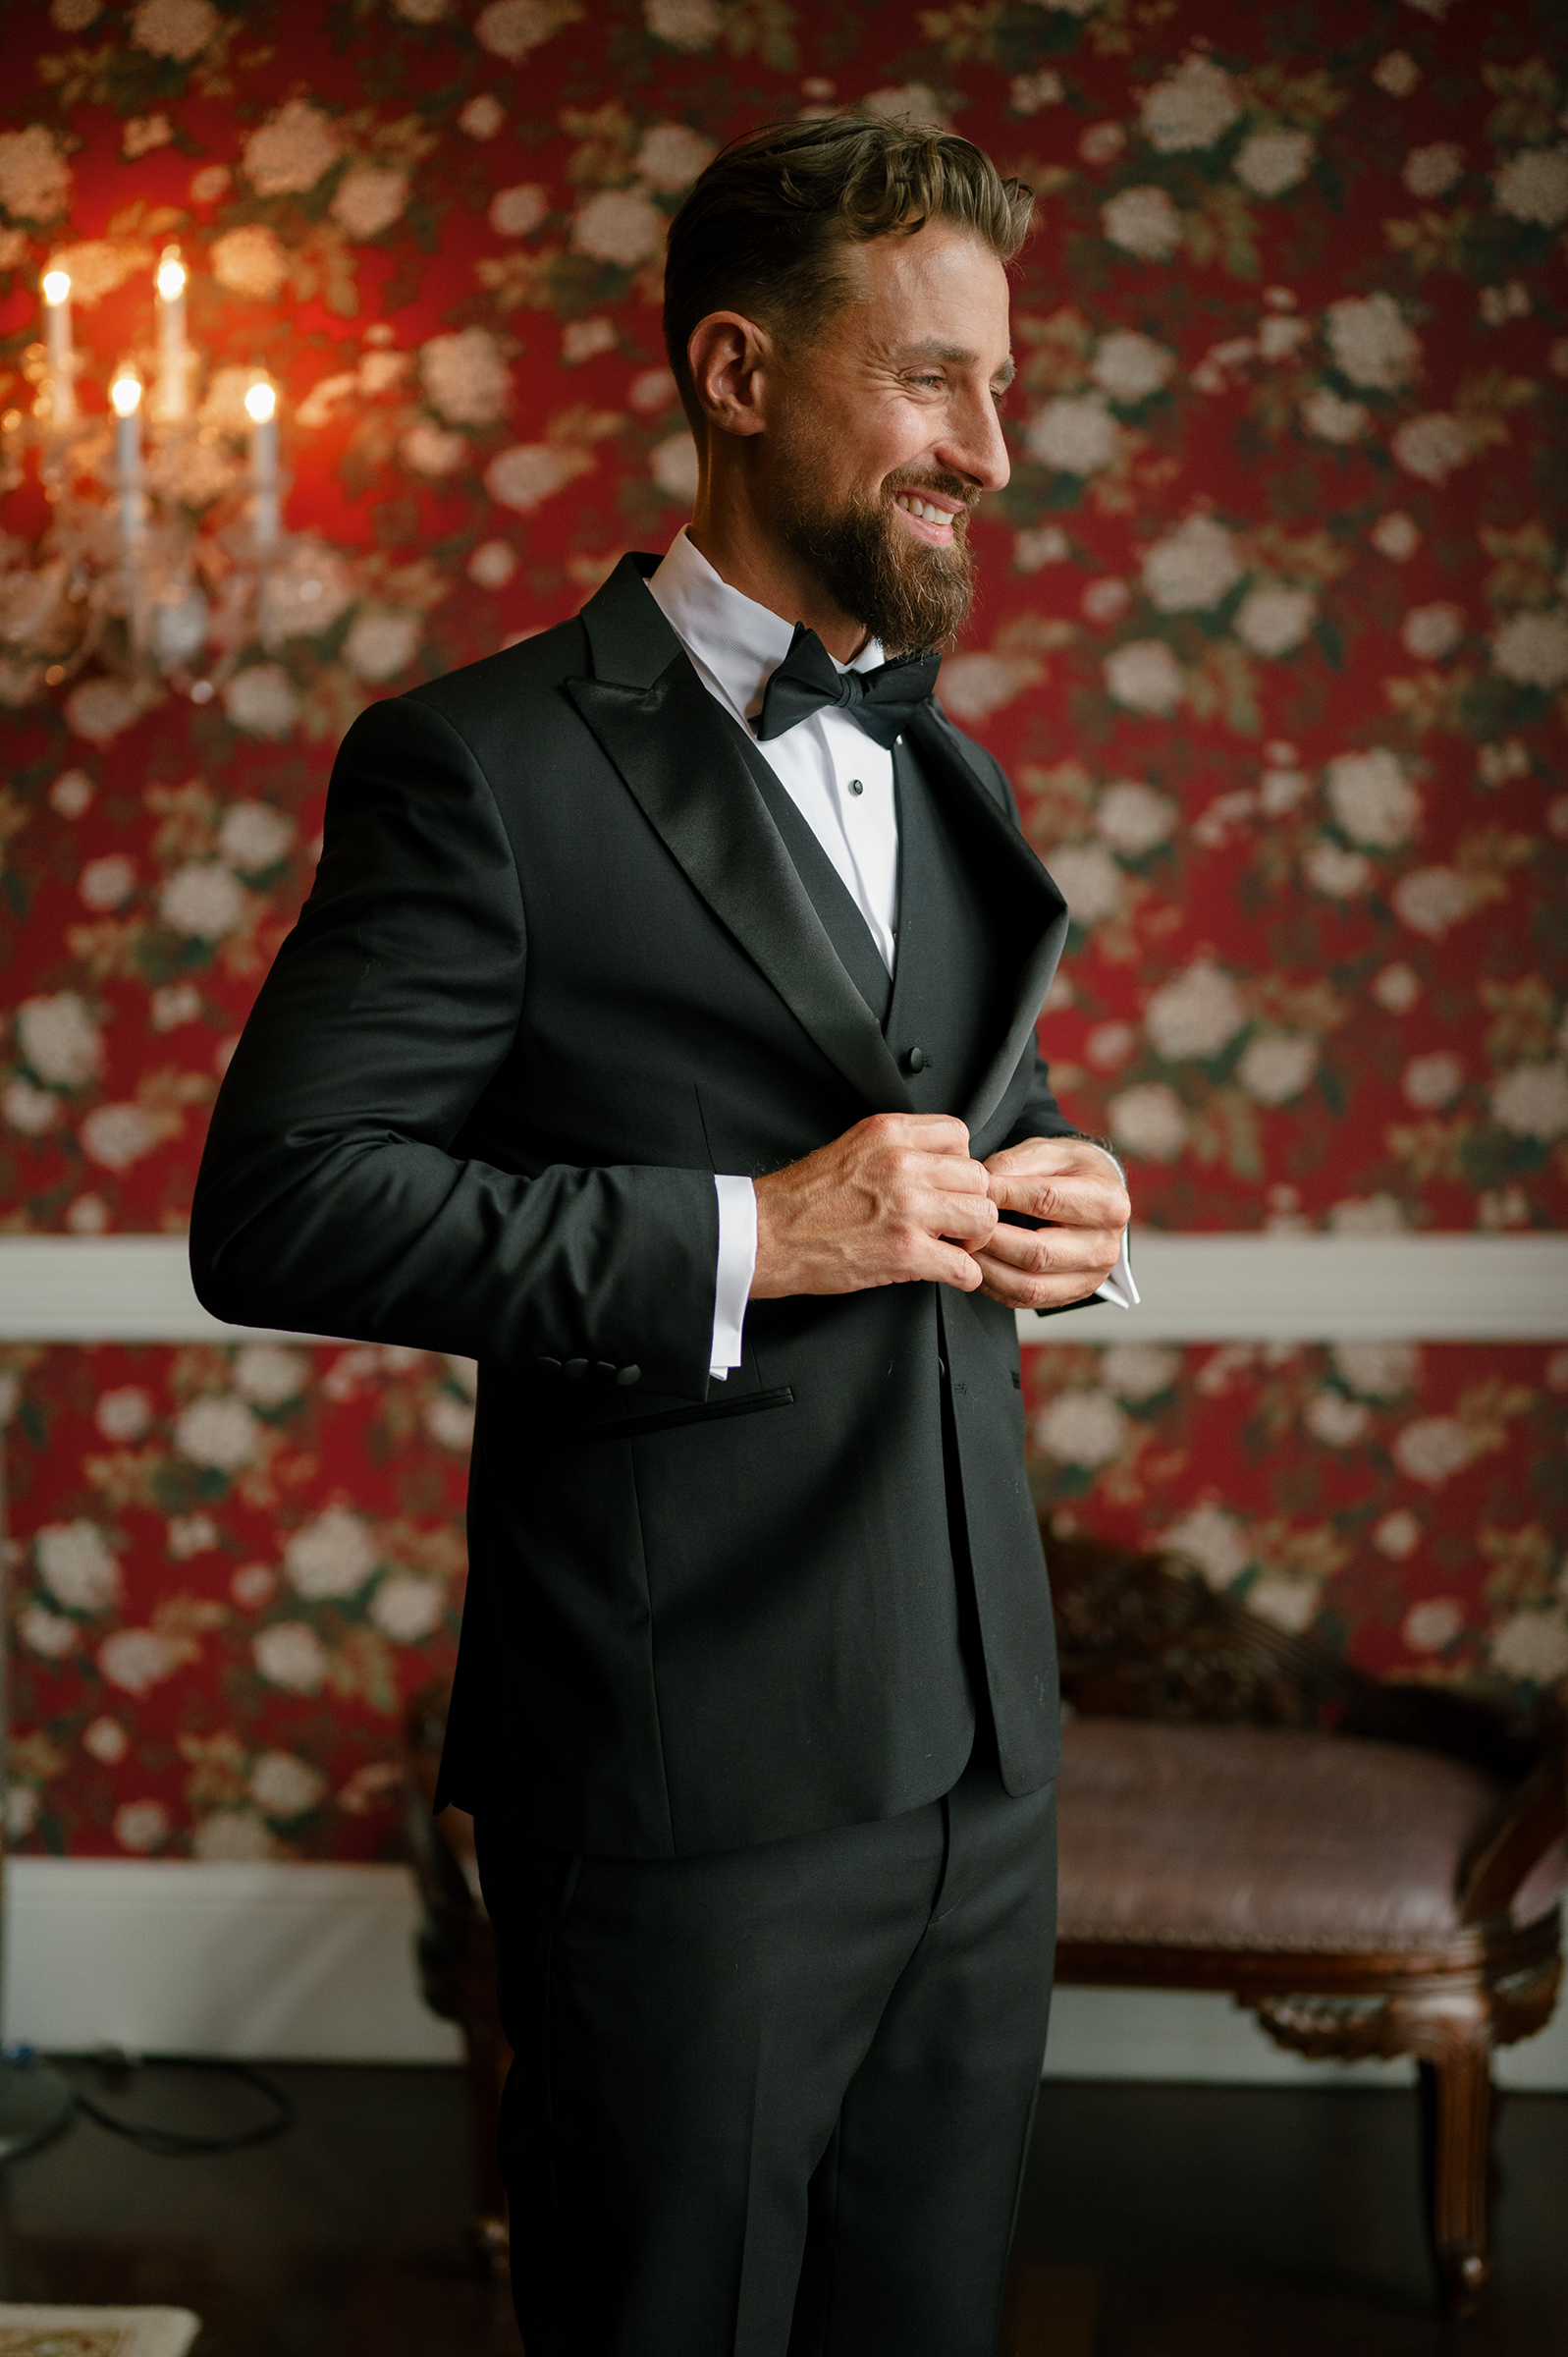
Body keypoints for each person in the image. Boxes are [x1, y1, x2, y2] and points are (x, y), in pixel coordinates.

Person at [190, 116, 1133, 2357]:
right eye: (930, 380)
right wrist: (751, 1239)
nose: (991, 452)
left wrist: (1069, 1199)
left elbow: (943, 1112)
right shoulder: (477, 765)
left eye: (1002, 387)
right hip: (681, 1774)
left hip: (983, 1762)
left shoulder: (952, 770)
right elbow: (281, 1205)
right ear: (733, 372)